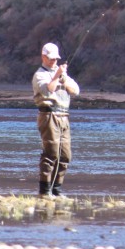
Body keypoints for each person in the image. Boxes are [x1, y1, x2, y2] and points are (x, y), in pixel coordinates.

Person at [32, 42, 80, 199]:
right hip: (48, 115)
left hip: (64, 116)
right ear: (43, 57)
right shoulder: (40, 75)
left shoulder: (63, 75)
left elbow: (76, 91)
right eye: (51, 58)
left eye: (55, 59)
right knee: (51, 153)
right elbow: (48, 90)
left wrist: (64, 79)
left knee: (65, 155)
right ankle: (44, 191)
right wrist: (56, 75)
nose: (53, 61)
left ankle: (56, 189)